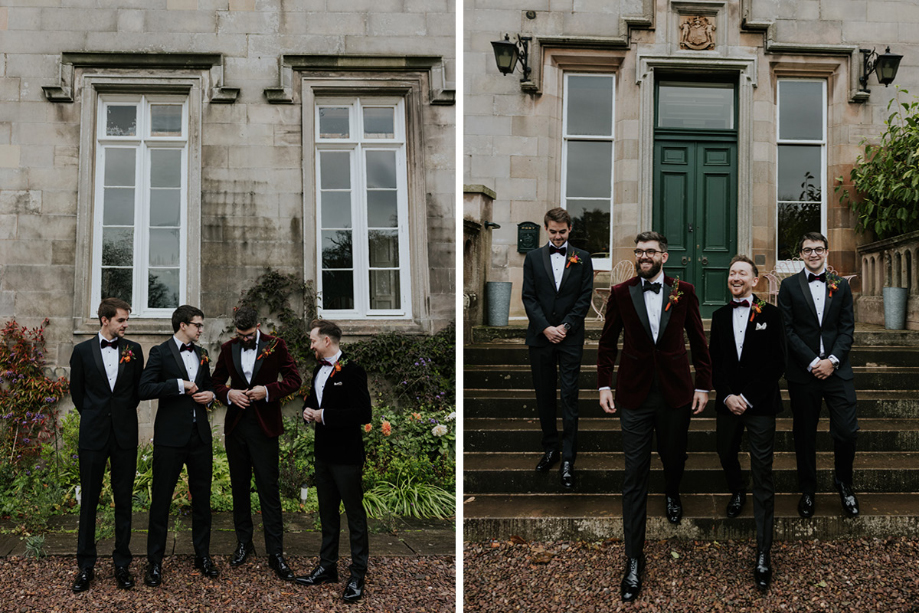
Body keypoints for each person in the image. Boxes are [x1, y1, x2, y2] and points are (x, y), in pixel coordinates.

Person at [596, 231, 711, 602]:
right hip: (634, 394)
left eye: (651, 251)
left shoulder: (685, 290)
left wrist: (703, 386)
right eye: (639, 251)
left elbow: (698, 340)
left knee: (674, 455)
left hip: (677, 391)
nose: (644, 256)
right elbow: (607, 342)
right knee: (634, 473)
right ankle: (633, 559)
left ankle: (673, 491)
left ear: (664, 255)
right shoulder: (620, 293)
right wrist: (603, 386)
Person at [709, 255, 786, 591]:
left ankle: (763, 551)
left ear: (755, 281)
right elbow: (715, 363)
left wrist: (748, 398)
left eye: (742, 273)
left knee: (763, 472)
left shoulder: (773, 316)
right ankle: (738, 490)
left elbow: (776, 363)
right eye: (731, 273)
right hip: (728, 402)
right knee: (725, 452)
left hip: (760, 404)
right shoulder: (720, 316)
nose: (735, 277)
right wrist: (727, 396)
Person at [211, 305, 302, 580]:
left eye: (249, 335)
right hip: (237, 429)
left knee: (268, 490)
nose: (245, 339)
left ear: (258, 326)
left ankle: (275, 552)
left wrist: (268, 390)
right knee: (239, 488)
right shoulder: (228, 348)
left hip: (265, 429)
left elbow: (294, 379)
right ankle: (243, 543)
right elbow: (215, 382)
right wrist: (229, 394)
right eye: (241, 335)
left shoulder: (276, 345)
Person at [778, 232, 859, 519]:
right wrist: (814, 361)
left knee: (847, 432)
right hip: (804, 373)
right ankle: (808, 490)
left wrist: (833, 360)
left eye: (818, 249)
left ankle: (844, 484)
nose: (813, 254)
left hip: (838, 372)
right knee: (804, 435)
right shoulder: (788, 287)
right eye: (807, 250)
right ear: (800, 254)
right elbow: (787, 330)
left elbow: (847, 327)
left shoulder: (841, 286)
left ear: (826, 252)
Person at [69, 298, 145, 592]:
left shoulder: (134, 351)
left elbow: (136, 391)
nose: (126, 325)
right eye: (122, 320)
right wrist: (96, 416)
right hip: (93, 435)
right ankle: (85, 566)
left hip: (124, 435)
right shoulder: (82, 351)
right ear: (105, 320)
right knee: (89, 501)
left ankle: (122, 564)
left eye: (126, 320)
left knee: (123, 499)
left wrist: (120, 417)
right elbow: (78, 394)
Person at [139, 305, 217, 587]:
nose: (200, 329)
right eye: (198, 324)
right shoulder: (160, 352)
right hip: (170, 439)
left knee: (203, 500)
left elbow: (209, 387)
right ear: (183, 325)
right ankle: (154, 562)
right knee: (161, 500)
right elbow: (145, 388)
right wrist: (178, 385)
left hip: (200, 438)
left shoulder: (202, 354)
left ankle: (203, 555)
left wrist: (210, 395)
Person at [295, 320, 372, 603]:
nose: (311, 345)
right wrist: (307, 410)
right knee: (327, 515)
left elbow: (363, 413)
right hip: (323, 454)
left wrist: (323, 415)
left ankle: (357, 575)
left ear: (327, 340)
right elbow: (314, 401)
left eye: (313, 340)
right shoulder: (318, 369)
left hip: (347, 456)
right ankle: (327, 568)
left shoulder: (352, 371)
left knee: (354, 516)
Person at [521, 207, 594, 489]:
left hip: (570, 337)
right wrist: (545, 328)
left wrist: (565, 327)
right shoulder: (532, 258)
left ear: (570, 229)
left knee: (569, 396)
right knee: (544, 395)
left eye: (563, 232)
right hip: (540, 338)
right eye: (553, 231)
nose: (558, 236)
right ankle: (550, 448)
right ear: (546, 229)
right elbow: (528, 297)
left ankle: (568, 458)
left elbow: (584, 296)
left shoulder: (583, 258)